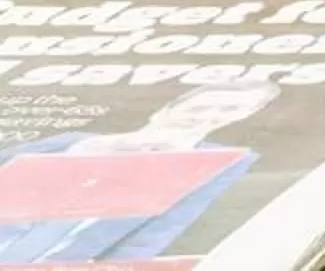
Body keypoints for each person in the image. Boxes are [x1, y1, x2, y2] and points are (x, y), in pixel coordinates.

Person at [0, 83, 274, 265]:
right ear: (165, 109)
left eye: (229, 109)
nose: (207, 116)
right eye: (198, 107)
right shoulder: (77, 140)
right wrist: (92, 148)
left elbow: (163, 231)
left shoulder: (226, 162)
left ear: (246, 114)